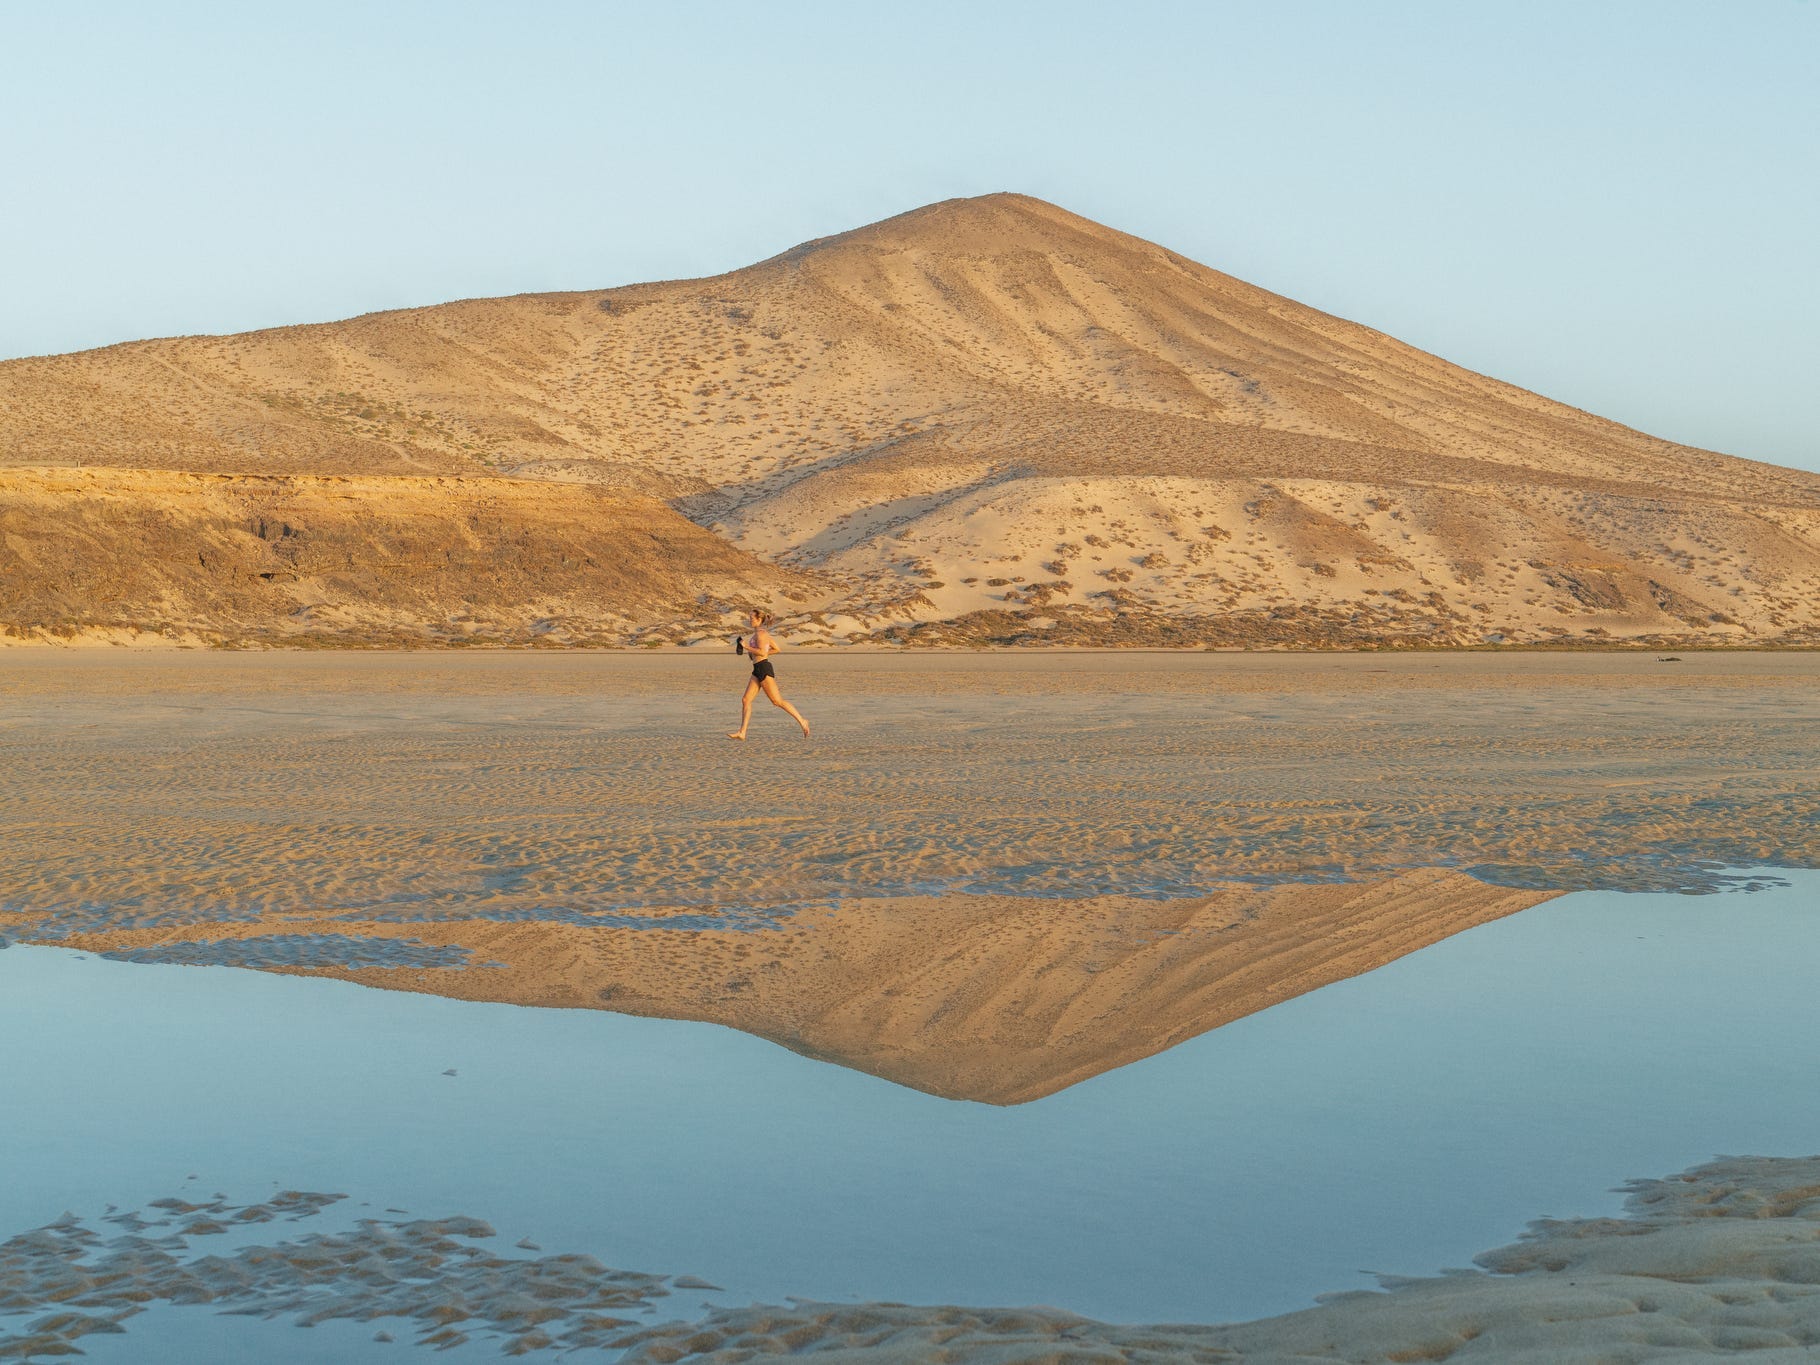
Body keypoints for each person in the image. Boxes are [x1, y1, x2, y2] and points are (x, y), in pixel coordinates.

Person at [729, 608, 810, 740]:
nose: (750, 620)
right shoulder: (757, 634)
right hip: (757, 669)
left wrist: (746, 647)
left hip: (764, 669)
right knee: (746, 700)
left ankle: (802, 720)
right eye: (749, 617)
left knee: (777, 701)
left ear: (759, 620)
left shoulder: (761, 634)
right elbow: (776, 649)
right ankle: (742, 732)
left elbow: (762, 652)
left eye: (752, 618)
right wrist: (750, 652)